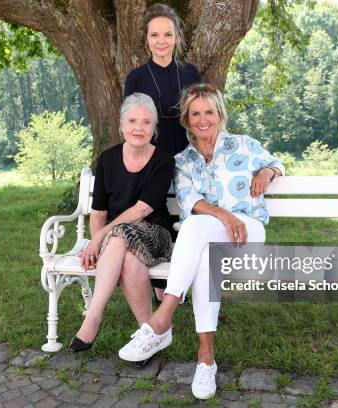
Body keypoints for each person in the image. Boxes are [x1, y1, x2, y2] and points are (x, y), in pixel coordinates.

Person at [118, 84, 284, 400]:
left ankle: (161, 320)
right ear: (187, 120)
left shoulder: (244, 145)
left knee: (195, 228)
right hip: (211, 235)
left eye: (209, 112)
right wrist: (224, 215)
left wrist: (267, 171)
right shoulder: (183, 160)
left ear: (219, 114)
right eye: (196, 113)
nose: (203, 119)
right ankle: (205, 359)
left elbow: (278, 163)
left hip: (247, 233)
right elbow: (188, 199)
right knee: (205, 255)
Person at [68, 93, 175, 352]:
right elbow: (98, 212)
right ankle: (148, 334)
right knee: (127, 258)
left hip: (156, 236)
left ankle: (93, 316)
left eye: (147, 122)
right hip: (119, 242)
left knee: (119, 235)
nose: (139, 128)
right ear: (121, 125)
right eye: (133, 120)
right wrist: (100, 240)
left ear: (154, 128)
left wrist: (99, 238)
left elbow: (142, 210)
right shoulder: (107, 159)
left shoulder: (163, 160)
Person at [124, 3, 202, 156]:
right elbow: (131, 125)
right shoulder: (135, 78)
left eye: (168, 34)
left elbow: (204, 115)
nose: (161, 41)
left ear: (176, 36)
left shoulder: (191, 73)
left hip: (192, 159)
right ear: (146, 38)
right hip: (151, 162)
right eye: (154, 35)